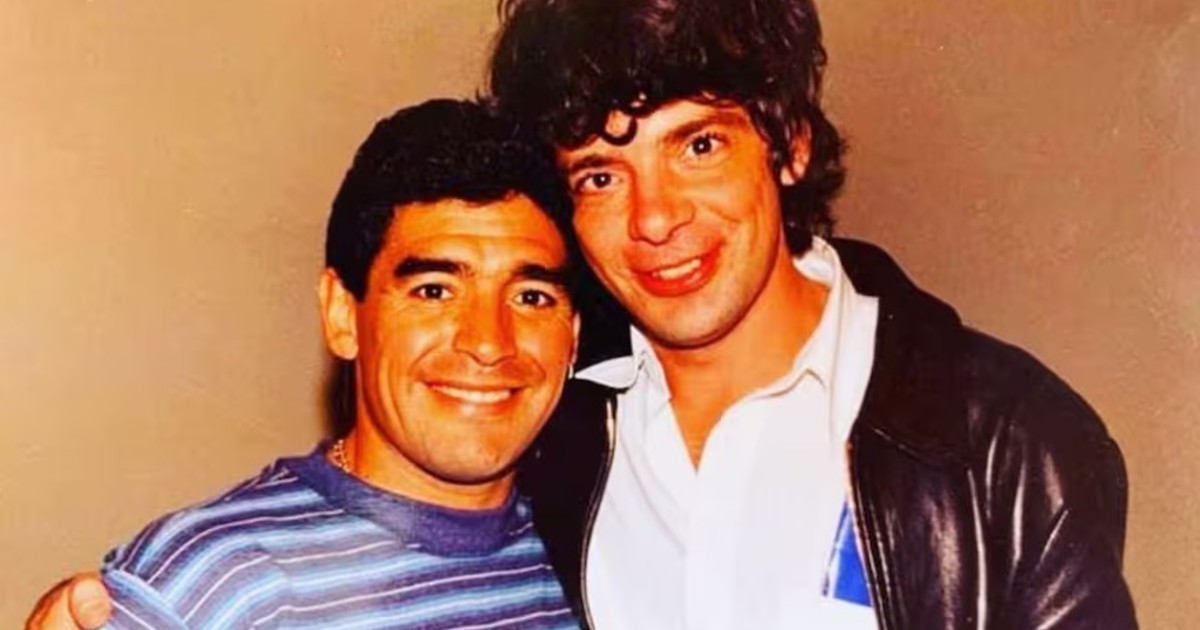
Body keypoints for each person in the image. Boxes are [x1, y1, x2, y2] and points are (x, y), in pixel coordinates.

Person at [28, 0, 1139, 628]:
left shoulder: (1003, 445)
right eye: (602, 174)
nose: (655, 218)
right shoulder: (557, 436)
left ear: (790, 144)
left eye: (698, 145)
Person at [28, 98, 584, 629]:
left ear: (575, 337)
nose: (488, 342)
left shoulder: (590, 559)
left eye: (531, 297)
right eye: (434, 291)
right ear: (343, 315)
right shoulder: (218, 582)